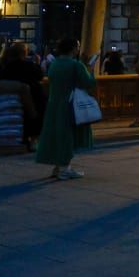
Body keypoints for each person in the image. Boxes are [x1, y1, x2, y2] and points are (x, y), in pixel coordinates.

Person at [35, 38, 95, 179]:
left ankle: (58, 167)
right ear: (73, 48)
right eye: (78, 46)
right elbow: (88, 83)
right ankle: (64, 168)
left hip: (54, 103)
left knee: (56, 135)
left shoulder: (54, 64)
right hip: (70, 104)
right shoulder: (75, 65)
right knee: (68, 136)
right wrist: (90, 70)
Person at [1, 41, 47, 149]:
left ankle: (24, 138)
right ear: (24, 53)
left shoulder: (7, 66)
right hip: (33, 96)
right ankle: (34, 140)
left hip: (13, 96)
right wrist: (37, 63)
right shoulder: (29, 65)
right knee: (40, 105)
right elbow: (40, 76)